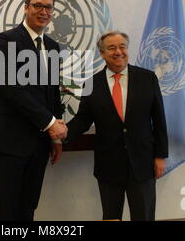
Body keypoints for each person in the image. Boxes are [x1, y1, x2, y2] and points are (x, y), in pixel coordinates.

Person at [0, 0, 67, 221]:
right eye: (37, 5)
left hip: (39, 143)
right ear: (26, 8)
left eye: (48, 7)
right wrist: (50, 123)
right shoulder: (5, 40)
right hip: (9, 141)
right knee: (6, 208)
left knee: (28, 206)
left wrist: (56, 137)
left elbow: (52, 93)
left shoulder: (52, 46)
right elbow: (11, 88)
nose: (43, 11)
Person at [64, 31, 168, 221]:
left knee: (144, 216)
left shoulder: (147, 78)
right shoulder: (91, 83)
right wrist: (61, 133)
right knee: (111, 217)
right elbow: (82, 120)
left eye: (122, 46)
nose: (118, 52)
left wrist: (160, 156)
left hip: (142, 163)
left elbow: (159, 119)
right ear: (102, 54)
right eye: (111, 48)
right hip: (109, 165)